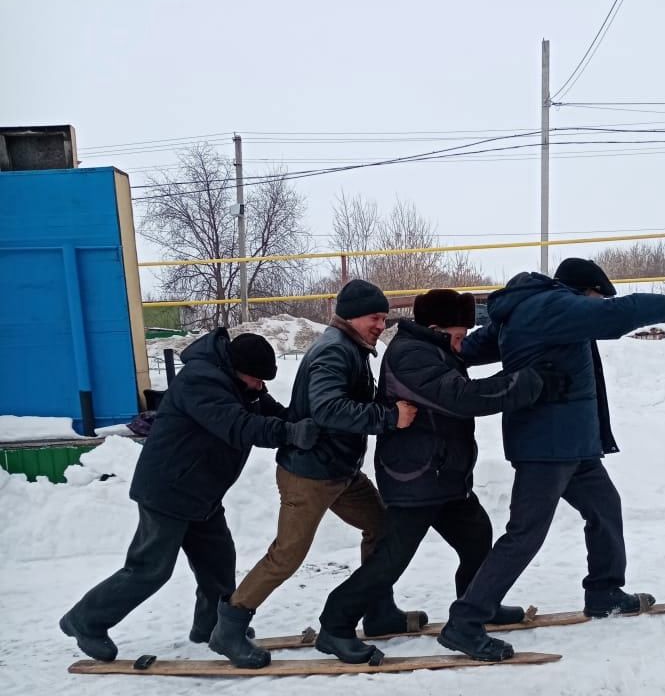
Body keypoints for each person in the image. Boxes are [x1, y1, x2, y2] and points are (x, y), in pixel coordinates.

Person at [439, 258, 665, 661]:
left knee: (605, 508)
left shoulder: (529, 312)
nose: (596, 305)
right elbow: (617, 314)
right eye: (595, 298)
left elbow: (472, 349)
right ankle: (465, 621)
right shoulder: (552, 307)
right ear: (583, 292)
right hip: (547, 447)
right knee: (526, 534)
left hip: (573, 445)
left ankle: (604, 590)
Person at [315, 288, 572, 663]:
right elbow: (461, 396)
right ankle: (334, 626)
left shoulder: (433, 349)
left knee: (477, 537)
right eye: (458, 334)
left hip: (443, 475)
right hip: (415, 476)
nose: (462, 343)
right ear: (435, 327)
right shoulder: (410, 355)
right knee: (392, 559)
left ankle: (477, 606)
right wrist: (528, 383)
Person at [60, 330, 318, 669]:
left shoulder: (243, 385)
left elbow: (271, 412)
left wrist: (303, 424)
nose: (260, 387)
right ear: (236, 368)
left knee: (219, 563)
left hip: (202, 492)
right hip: (168, 490)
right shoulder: (201, 382)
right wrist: (287, 434)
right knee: (149, 569)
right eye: (256, 379)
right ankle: (85, 621)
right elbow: (237, 426)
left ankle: (210, 626)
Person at [211, 279, 420, 651]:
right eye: (375, 317)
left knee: (383, 528)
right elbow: (327, 408)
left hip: (339, 471)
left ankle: (378, 610)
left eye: (384, 319)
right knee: (287, 555)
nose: (380, 325)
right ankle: (230, 626)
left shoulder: (351, 348)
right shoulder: (334, 351)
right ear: (352, 316)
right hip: (308, 474)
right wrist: (388, 417)